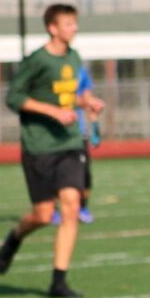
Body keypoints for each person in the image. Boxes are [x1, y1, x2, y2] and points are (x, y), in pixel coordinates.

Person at [0, 4, 104, 298]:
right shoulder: (37, 60)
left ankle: (59, 281)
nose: (74, 29)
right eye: (68, 24)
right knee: (43, 215)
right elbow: (14, 97)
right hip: (39, 145)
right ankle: (15, 238)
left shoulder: (74, 56)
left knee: (71, 206)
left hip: (69, 142)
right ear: (52, 28)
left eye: (75, 23)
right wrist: (52, 112)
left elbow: (74, 94)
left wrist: (87, 103)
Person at [50, 65, 103, 225]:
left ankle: (83, 208)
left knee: (84, 176)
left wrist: (93, 121)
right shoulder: (47, 68)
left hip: (77, 134)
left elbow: (87, 98)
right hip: (52, 133)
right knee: (54, 175)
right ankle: (53, 210)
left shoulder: (80, 70)